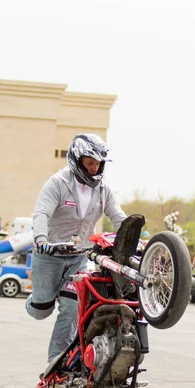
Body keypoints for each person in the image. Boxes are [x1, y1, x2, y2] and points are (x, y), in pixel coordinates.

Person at [26, 133, 126, 366]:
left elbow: (119, 218)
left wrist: (137, 239)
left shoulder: (103, 190)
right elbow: (42, 213)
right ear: (77, 160)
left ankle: (57, 359)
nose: (94, 168)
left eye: (98, 164)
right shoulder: (58, 183)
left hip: (79, 257)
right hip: (49, 254)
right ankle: (37, 300)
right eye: (89, 163)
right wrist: (41, 239)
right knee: (41, 309)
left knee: (72, 305)